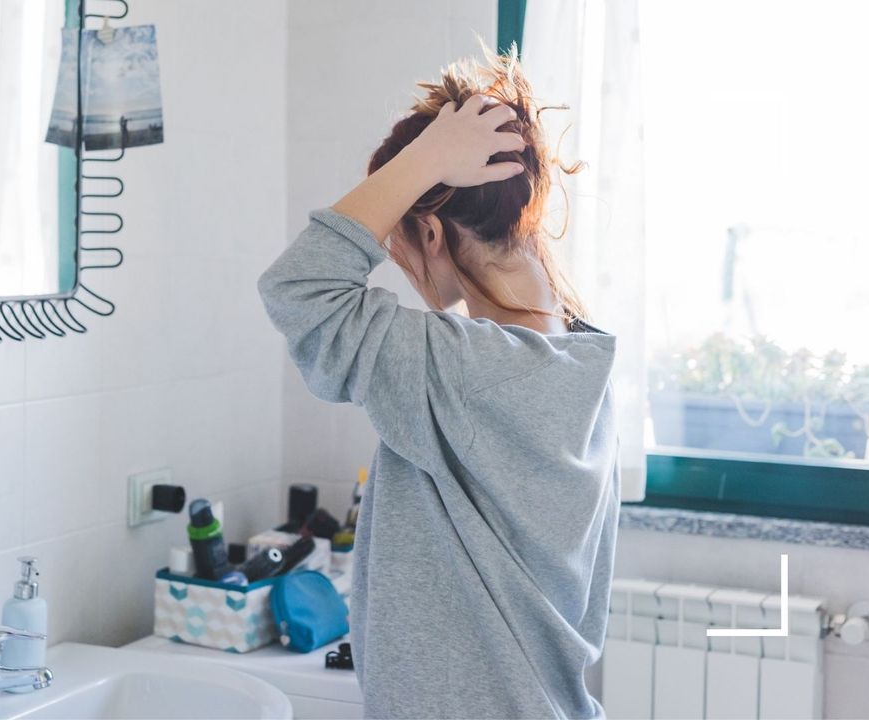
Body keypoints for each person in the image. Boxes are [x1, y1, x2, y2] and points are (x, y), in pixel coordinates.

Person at [258, 50, 620, 719]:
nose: (396, 262)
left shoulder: (467, 368)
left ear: (429, 229)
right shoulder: (579, 359)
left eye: (396, 243)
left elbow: (298, 289)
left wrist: (423, 160)